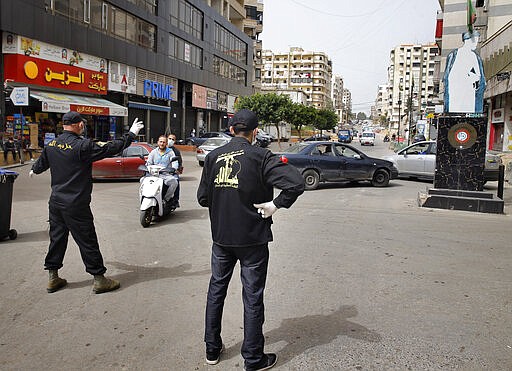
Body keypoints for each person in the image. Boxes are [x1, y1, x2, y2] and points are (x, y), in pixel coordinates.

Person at [197, 109, 305, 371]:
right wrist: (276, 205)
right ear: (255, 132)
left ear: (231, 130)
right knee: (252, 296)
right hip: (253, 240)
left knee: (216, 290)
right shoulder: (261, 157)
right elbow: (296, 183)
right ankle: (253, 359)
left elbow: (202, 198)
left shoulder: (212, 157)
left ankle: (212, 349)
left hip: (221, 238)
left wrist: (224, 201)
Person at [29, 111, 144, 294]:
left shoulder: (51, 144)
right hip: (76, 204)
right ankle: (99, 279)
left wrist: (34, 169)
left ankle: (53, 276)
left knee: (57, 239)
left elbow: (41, 164)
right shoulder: (82, 146)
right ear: (79, 125)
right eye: (82, 123)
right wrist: (130, 135)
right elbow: (110, 148)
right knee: (87, 240)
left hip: (56, 202)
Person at [444, 31, 486, 113]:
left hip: (465, 92)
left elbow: (478, 75)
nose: (476, 44)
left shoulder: (472, 56)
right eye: (475, 41)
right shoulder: (457, 55)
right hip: (458, 92)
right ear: (468, 40)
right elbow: (478, 75)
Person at [146, 135, 179, 207]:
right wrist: (147, 167)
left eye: (164, 142)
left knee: (174, 182)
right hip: (154, 174)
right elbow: (149, 163)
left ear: (166, 143)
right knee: (142, 180)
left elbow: (175, 163)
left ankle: (166, 200)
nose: (162, 143)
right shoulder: (153, 152)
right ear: (158, 142)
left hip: (165, 175)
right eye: (160, 142)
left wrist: (174, 168)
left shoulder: (170, 152)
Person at [168, 133, 183, 207]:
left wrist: (177, 170)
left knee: (176, 181)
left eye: (172, 139)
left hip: (171, 172)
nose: (170, 140)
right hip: (160, 171)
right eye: (169, 138)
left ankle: (175, 200)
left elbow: (179, 162)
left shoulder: (176, 151)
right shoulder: (158, 149)